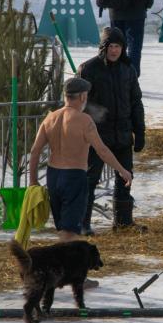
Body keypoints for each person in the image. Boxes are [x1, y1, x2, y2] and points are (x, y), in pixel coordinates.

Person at [28, 77, 133, 241]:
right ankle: (68, 256)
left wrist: (33, 181)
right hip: (74, 176)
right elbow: (102, 150)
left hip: (53, 176)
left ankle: (65, 254)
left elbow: (34, 151)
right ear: (83, 96)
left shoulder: (50, 118)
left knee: (62, 228)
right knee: (70, 232)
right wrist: (122, 170)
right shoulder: (84, 120)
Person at [79, 27, 146, 233]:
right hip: (97, 135)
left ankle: (123, 222)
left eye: (118, 46)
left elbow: (136, 102)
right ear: (103, 47)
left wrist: (140, 131)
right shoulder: (88, 69)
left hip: (123, 133)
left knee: (125, 177)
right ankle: (83, 224)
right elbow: (79, 103)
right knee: (90, 179)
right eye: (111, 46)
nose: (114, 50)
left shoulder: (128, 69)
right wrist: (90, 124)